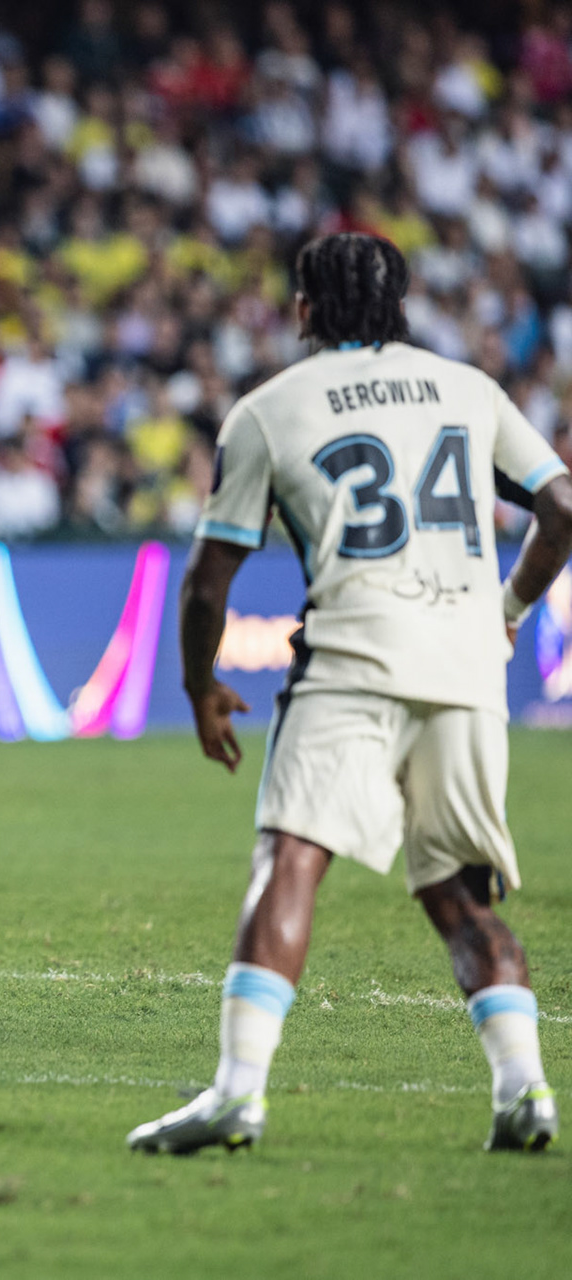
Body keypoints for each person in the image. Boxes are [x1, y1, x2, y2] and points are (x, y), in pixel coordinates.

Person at [128, 233, 568, 1155]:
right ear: (402, 305)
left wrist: (199, 684)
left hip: (354, 657)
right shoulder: (467, 389)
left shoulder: (269, 410)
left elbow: (209, 579)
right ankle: (525, 1091)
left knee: (290, 861)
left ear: (303, 309)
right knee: (459, 892)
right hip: (465, 667)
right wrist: (512, 607)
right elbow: (562, 506)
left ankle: (238, 1094)